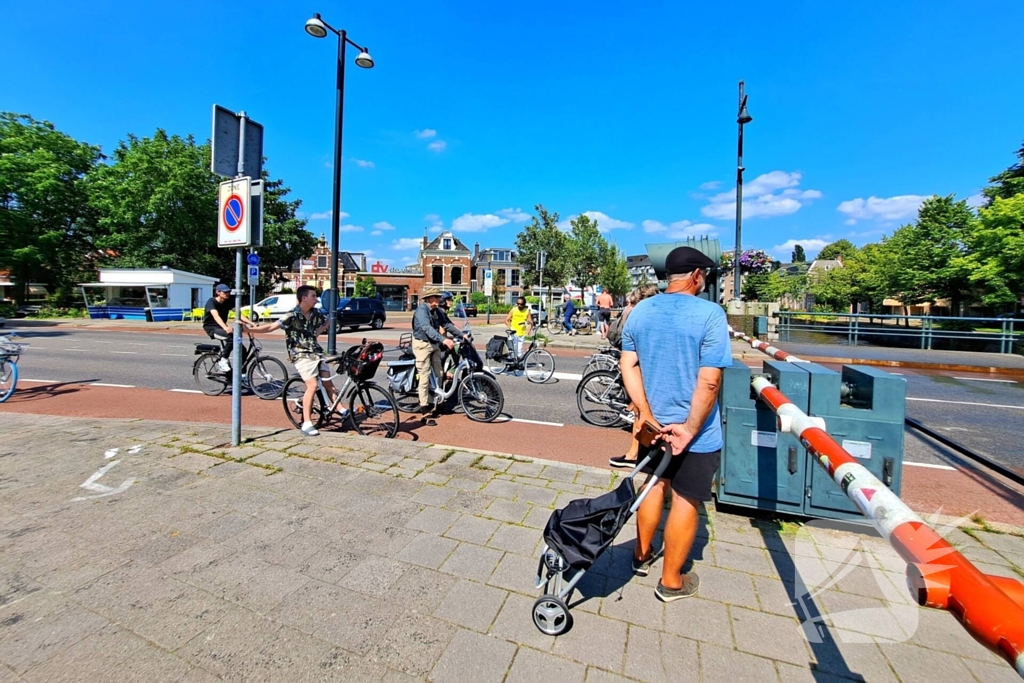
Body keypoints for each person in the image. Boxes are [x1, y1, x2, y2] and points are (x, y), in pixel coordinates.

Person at [620, 246, 732, 602]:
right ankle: (671, 581)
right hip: (696, 433)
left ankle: (640, 554)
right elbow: (710, 382)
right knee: (685, 499)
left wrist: (646, 412)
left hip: (653, 427)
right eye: (706, 277)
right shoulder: (711, 315)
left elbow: (628, 365)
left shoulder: (640, 311)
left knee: (653, 486)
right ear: (697, 276)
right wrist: (689, 428)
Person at [246, 285, 336, 436]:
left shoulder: (316, 313)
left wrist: (315, 334)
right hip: (300, 353)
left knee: (328, 382)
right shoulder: (291, 315)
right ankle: (307, 424)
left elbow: (327, 322)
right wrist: (248, 330)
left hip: (316, 352)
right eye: (313, 296)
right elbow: (270, 327)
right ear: (304, 298)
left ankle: (340, 409)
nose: (316, 299)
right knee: (312, 385)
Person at [607, 282, 661, 469]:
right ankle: (638, 454)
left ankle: (638, 456)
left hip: (645, 372)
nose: (628, 308)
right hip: (645, 371)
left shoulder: (643, 318)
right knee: (641, 410)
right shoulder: (652, 317)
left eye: (632, 303)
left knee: (643, 410)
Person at [412, 286, 465, 421]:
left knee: (439, 374)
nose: (438, 299)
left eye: (438, 297)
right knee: (424, 375)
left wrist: (462, 335)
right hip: (422, 344)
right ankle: (424, 407)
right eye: (435, 297)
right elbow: (427, 328)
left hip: (434, 344)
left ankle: (438, 403)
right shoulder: (421, 310)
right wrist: (444, 340)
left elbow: (447, 325)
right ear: (428, 299)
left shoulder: (437, 311)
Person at [202, 284, 250, 373]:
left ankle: (242, 375)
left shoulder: (228, 302)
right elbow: (216, 316)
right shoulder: (211, 302)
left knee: (243, 350)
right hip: (212, 328)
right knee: (232, 339)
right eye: (225, 292)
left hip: (221, 327)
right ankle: (223, 361)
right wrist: (225, 327)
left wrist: (251, 323)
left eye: (228, 292)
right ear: (218, 292)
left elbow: (238, 314)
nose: (227, 294)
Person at [503, 297, 534, 361]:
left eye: (521, 304)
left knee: (519, 351)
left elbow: (530, 321)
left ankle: (518, 363)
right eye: (518, 304)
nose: (519, 305)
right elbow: (506, 320)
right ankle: (511, 364)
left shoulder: (527, 311)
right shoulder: (514, 310)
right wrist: (509, 327)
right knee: (512, 350)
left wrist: (529, 329)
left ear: (524, 304)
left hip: (521, 333)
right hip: (513, 333)